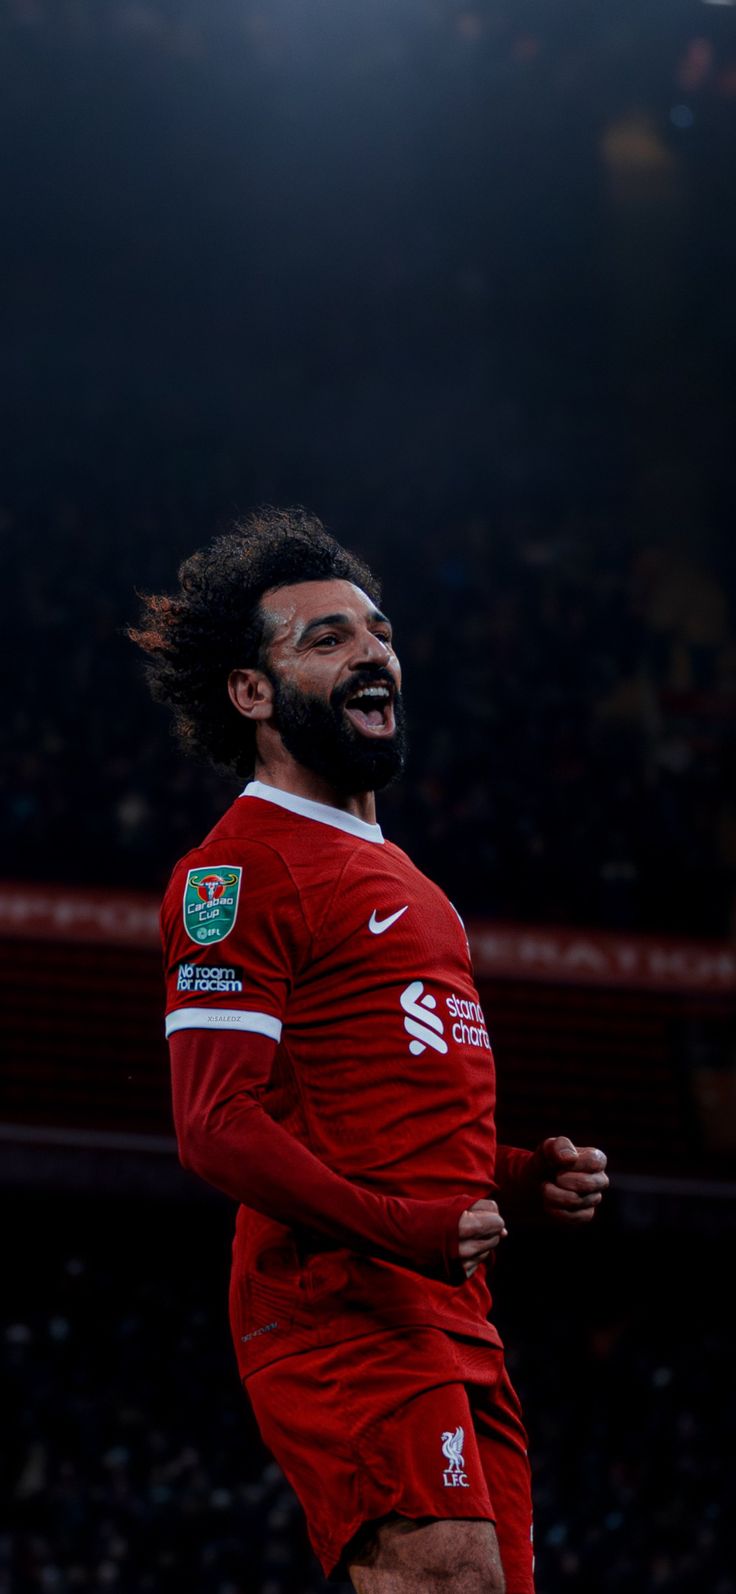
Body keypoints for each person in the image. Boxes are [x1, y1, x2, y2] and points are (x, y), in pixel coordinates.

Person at [130, 507, 609, 1594]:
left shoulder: (417, 888)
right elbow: (214, 1128)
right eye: (326, 638)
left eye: (377, 630)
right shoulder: (238, 872)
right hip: (336, 1308)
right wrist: (403, 1230)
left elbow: (385, 1135)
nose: (372, 650)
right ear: (252, 694)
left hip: (450, 1316)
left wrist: (524, 1183)